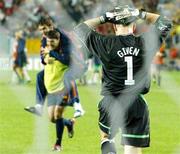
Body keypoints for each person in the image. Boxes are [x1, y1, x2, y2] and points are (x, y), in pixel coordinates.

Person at [74, 5, 172, 154]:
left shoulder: (105, 44)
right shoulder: (146, 42)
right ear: (133, 27)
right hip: (136, 103)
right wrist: (140, 14)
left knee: (105, 133)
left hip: (110, 100)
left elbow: (80, 28)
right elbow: (166, 22)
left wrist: (104, 17)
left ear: (114, 27)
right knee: (132, 148)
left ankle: (107, 141)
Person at [24, 16, 85, 118]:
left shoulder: (64, 38)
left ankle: (78, 106)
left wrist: (51, 53)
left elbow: (66, 60)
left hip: (77, 64)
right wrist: (45, 59)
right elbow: (43, 56)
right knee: (40, 76)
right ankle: (39, 106)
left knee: (68, 76)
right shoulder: (45, 38)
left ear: (51, 26)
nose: (42, 32)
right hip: (61, 64)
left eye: (44, 28)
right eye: (40, 30)